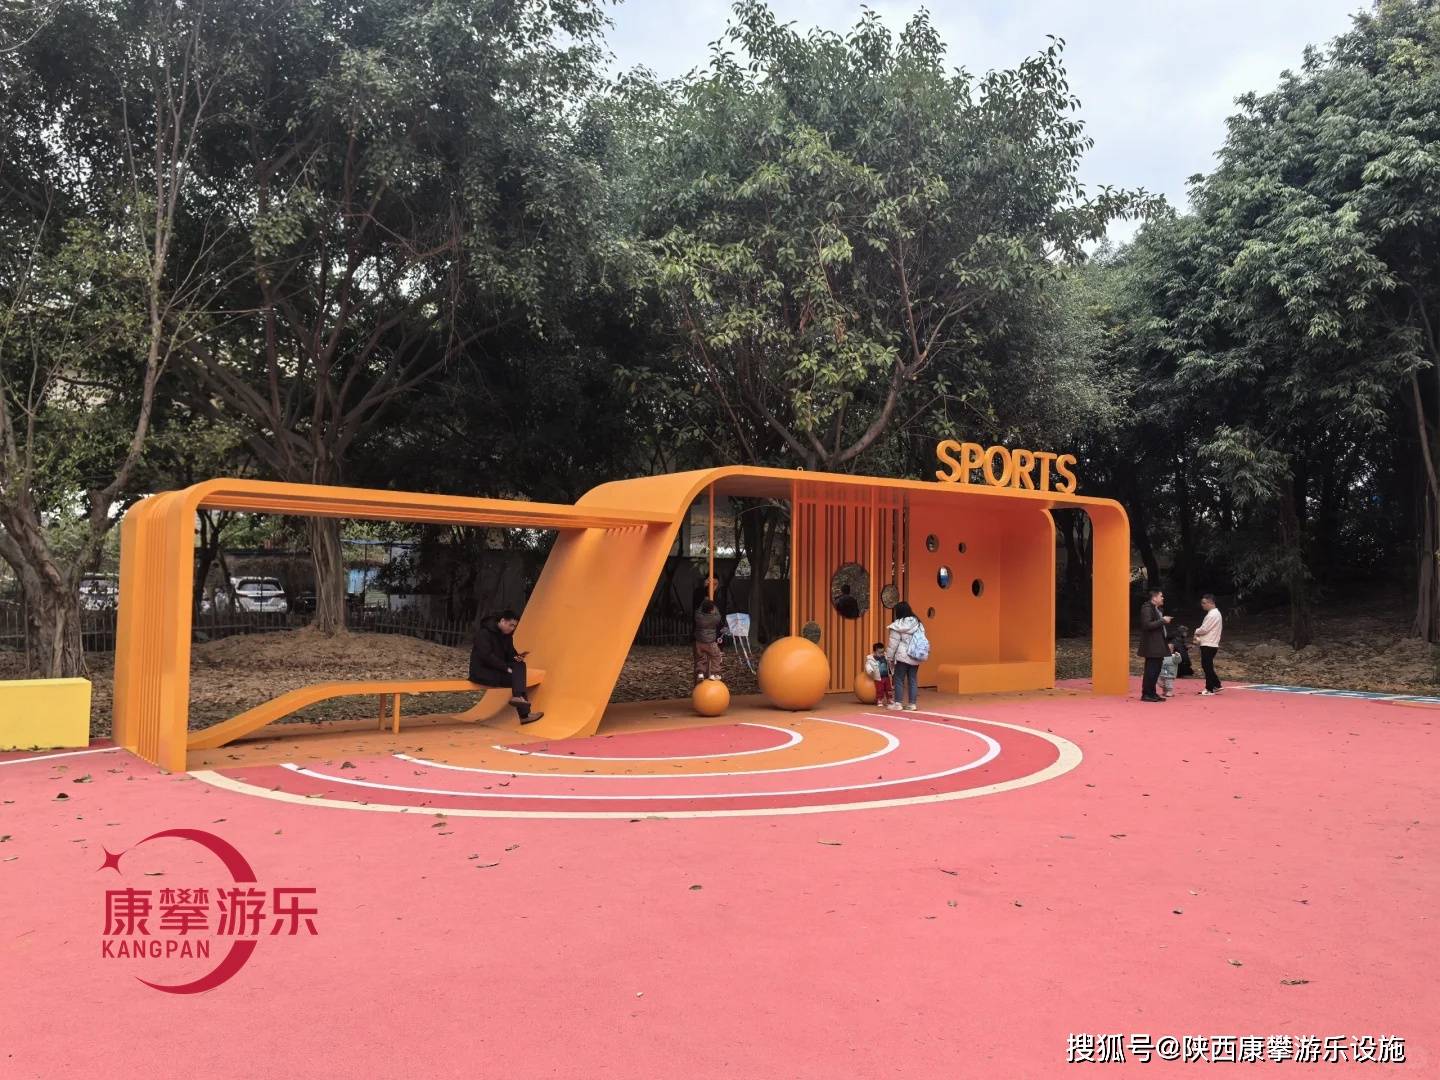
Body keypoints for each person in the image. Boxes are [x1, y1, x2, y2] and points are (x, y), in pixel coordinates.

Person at [469, 609, 543, 724]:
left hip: (497, 671)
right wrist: (506, 668)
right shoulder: (484, 633)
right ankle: (524, 715)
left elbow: (510, 655)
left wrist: (517, 657)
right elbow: (486, 656)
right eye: (511, 625)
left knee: (519, 668)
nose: (512, 628)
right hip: (481, 672)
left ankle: (519, 701)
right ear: (503, 621)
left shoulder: (507, 636)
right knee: (518, 678)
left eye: (514, 626)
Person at [886, 601, 924, 712]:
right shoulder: (918, 623)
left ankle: (898, 703)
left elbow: (893, 644)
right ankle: (912, 704)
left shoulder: (898, 625)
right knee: (912, 679)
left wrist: (889, 657)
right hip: (915, 655)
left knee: (899, 679)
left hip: (902, 656)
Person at [1138, 587, 1171, 703]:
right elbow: (1147, 625)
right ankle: (1147, 693)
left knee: (1155, 670)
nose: (1163, 598)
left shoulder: (1157, 609)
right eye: (1161, 596)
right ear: (1154, 598)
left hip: (1157, 644)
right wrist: (1163, 620)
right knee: (1151, 670)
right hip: (1152, 645)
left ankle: (1152, 693)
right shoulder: (1147, 608)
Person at [1192, 593, 1224, 696]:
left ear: (1211, 603)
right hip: (1210, 643)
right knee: (1207, 665)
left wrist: (1196, 631)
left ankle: (1209, 688)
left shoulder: (1212, 614)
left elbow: (1204, 629)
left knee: (1207, 666)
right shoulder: (1214, 613)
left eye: (1204, 603)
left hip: (1209, 644)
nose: (1202, 605)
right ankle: (1216, 684)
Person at [693, 598, 725, 682]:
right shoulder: (714, 618)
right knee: (716, 656)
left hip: (699, 642)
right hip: (710, 642)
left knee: (701, 658)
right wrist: (713, 605)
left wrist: (704, 602)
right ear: (712, 610)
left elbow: (699, 610)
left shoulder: (698, 616)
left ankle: (700, 673)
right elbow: (718, 614)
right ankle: (714, 674)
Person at [864, 642, 893, 707]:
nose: (881, 654)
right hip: (878, 678)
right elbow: (867, 665)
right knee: (880, 689)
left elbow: (890, 663)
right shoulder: (871, 659)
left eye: (882, 652)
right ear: (874, 652)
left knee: (889, 689)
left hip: (886, 676)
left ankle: (890, 699)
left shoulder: (885, 657)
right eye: (879, 652)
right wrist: (870, 670)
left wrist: (891, 663)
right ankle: (879, 700)